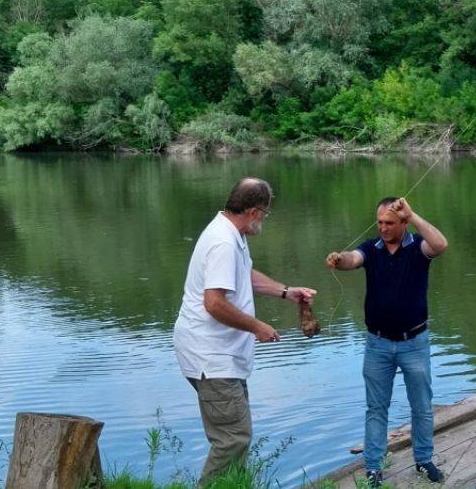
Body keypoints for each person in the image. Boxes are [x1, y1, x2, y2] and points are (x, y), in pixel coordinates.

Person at [174, 177, 317, 486]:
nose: (264, 220)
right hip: (210, 357)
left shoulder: (230, 234)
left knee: (236, 436)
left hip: (219, 356)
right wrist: (256, 327)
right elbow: (213, 303)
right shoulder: (224, 242)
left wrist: (286, 291)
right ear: (253, 211)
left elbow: (245, 275)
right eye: (265, 213)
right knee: (233, 439)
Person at [326, 197, 448, 488]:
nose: (383, 228)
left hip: (414, 342)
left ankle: (424, 459)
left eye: (390, 223)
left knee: (421, 406)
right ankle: (373, 467)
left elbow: (441, 245)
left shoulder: (418, 247)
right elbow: (352, 259)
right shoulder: (371, 249)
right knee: (376, 408)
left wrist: (414, 214)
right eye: (380, 222)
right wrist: (338, 259)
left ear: (403, 222)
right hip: (377, 344)